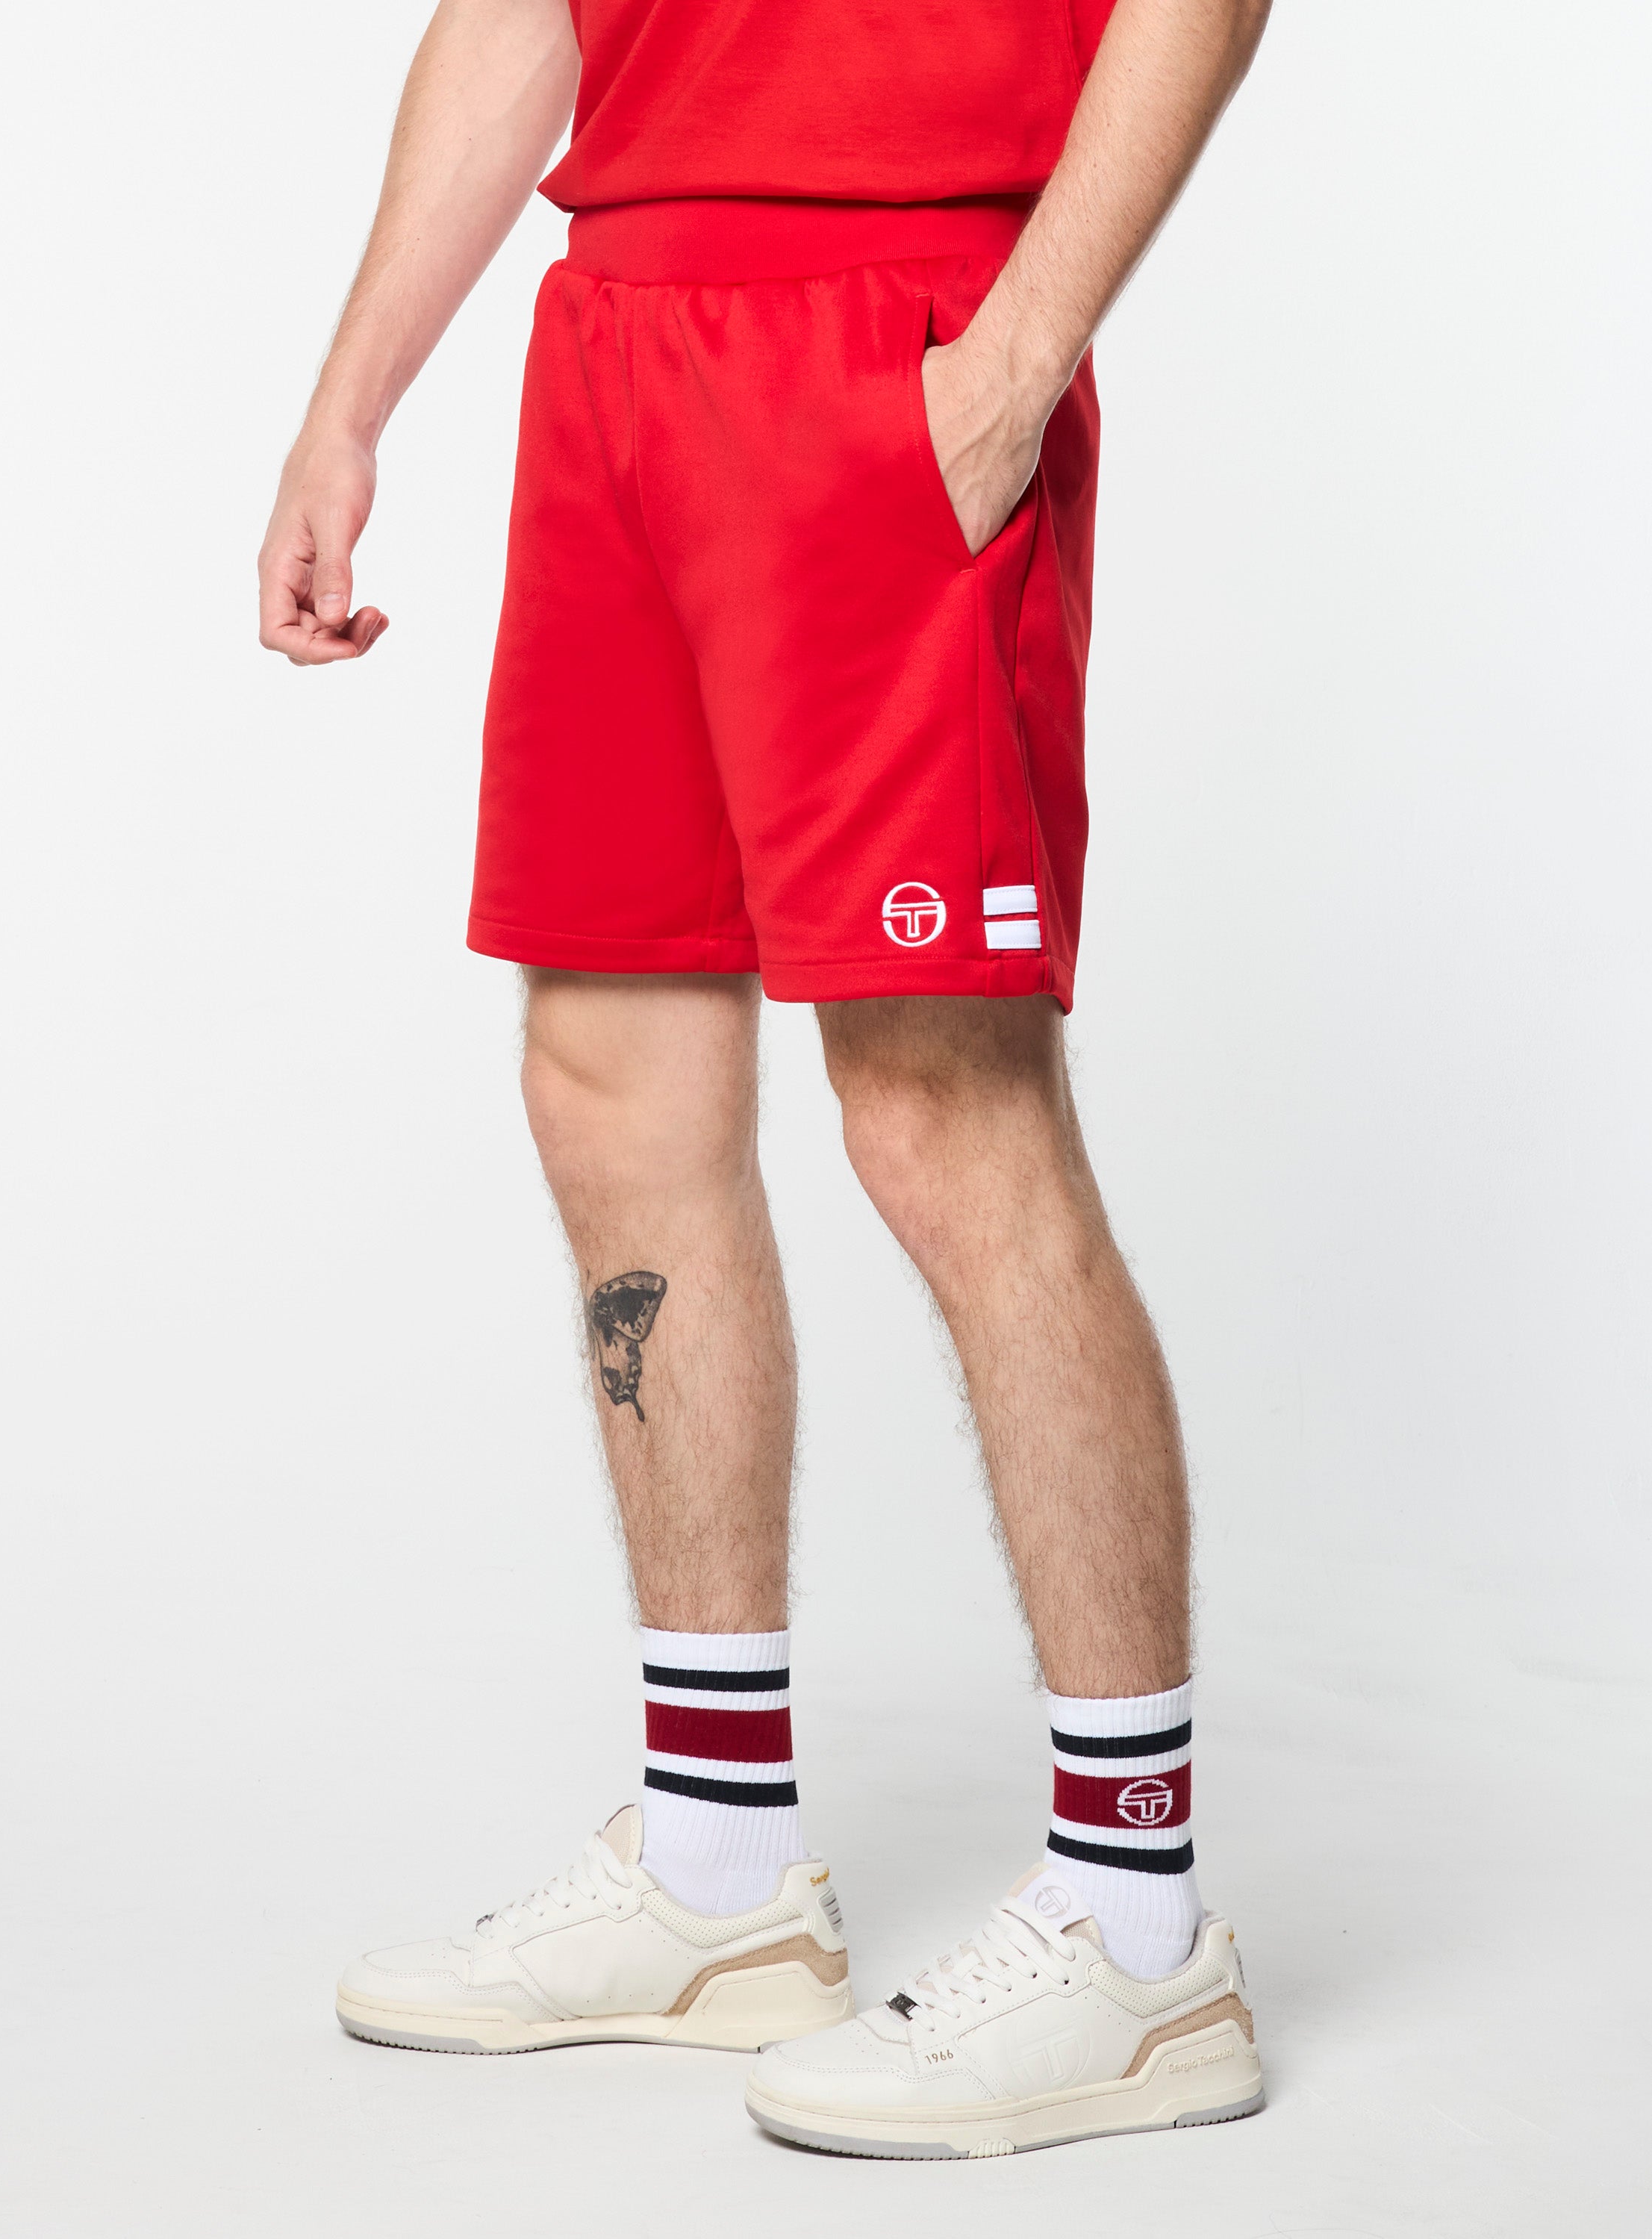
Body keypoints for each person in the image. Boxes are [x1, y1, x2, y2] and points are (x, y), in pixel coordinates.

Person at [259, 0, 1271, 2159]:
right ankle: (717, 1874)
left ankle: (1139, 1931)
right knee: (606, 1081)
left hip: (896, 333)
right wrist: (350, 405)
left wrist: (1017, 359)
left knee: (941, 1114)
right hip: (617, 347)